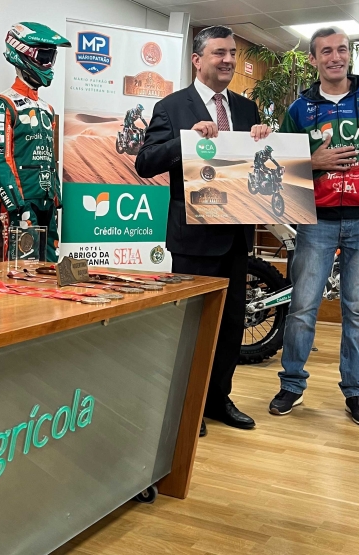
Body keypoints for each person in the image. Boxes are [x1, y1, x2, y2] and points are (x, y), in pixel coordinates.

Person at [269, 27, 359, 425]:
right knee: (302, 307)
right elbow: (279, 161)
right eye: (326, 51)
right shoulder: (299, 110)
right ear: (313, 59)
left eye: (341, 50)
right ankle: (292, 384)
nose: (335, 57)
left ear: (348, 55)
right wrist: (311, 162)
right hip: (316, 221)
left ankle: (356, 391)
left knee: (357, 309)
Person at [135, 25, 271, 436]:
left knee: (230, 325)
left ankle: (217, 399)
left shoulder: (246, 109)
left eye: (232, 53)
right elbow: (145, 163)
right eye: (219, 53)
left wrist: (265, 140)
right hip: (193, 239)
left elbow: (254, 166)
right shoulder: (172, 107)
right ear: (197, 60)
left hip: (236, 236)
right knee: (191, 328)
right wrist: (186, 140)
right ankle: (186, 405)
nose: (228, 60)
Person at [0, 22, 70, 262]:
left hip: (47, 201)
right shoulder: (3, 103)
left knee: (51, 265)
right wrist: (14, 202)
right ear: (22, 53)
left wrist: (56, 195)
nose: (48, 64)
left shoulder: (47, 109)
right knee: (22, 268)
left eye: (51, 58)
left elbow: (50, 158)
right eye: (44, 57)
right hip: (21, 203)